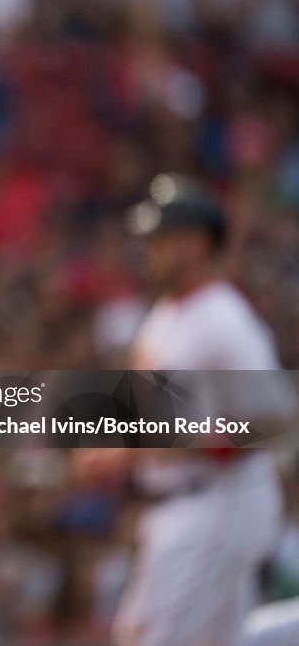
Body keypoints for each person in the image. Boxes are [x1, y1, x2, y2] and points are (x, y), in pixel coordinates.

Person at [77, 174, 296, 646]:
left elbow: (276, 420)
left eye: (162, 238)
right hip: (180, 506)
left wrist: (152, 446)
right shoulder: (166, 313)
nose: (149, 248)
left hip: (220, 501)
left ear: (197, 243)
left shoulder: (225, 319)